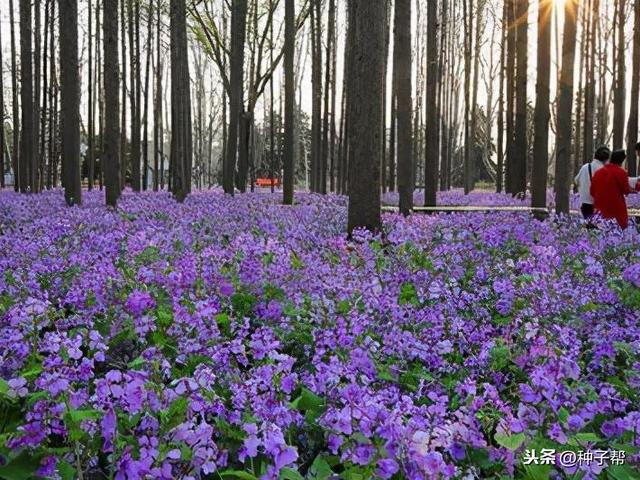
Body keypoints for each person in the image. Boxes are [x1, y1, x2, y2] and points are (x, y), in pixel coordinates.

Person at [590, 149, 640, 229]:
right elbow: (626, 190)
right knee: (618, 229)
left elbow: (592, 191)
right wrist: (633, 190)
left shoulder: (598, 172)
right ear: (621, 161)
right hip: (615, 208)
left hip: (599, 208)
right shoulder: (621, 172)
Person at [574, 145, 610, 219]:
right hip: (599, 205)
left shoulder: (585, 167)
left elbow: (576, 180)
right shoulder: (605, 170)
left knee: (587, 227)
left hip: (585, 204)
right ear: (606, 159)